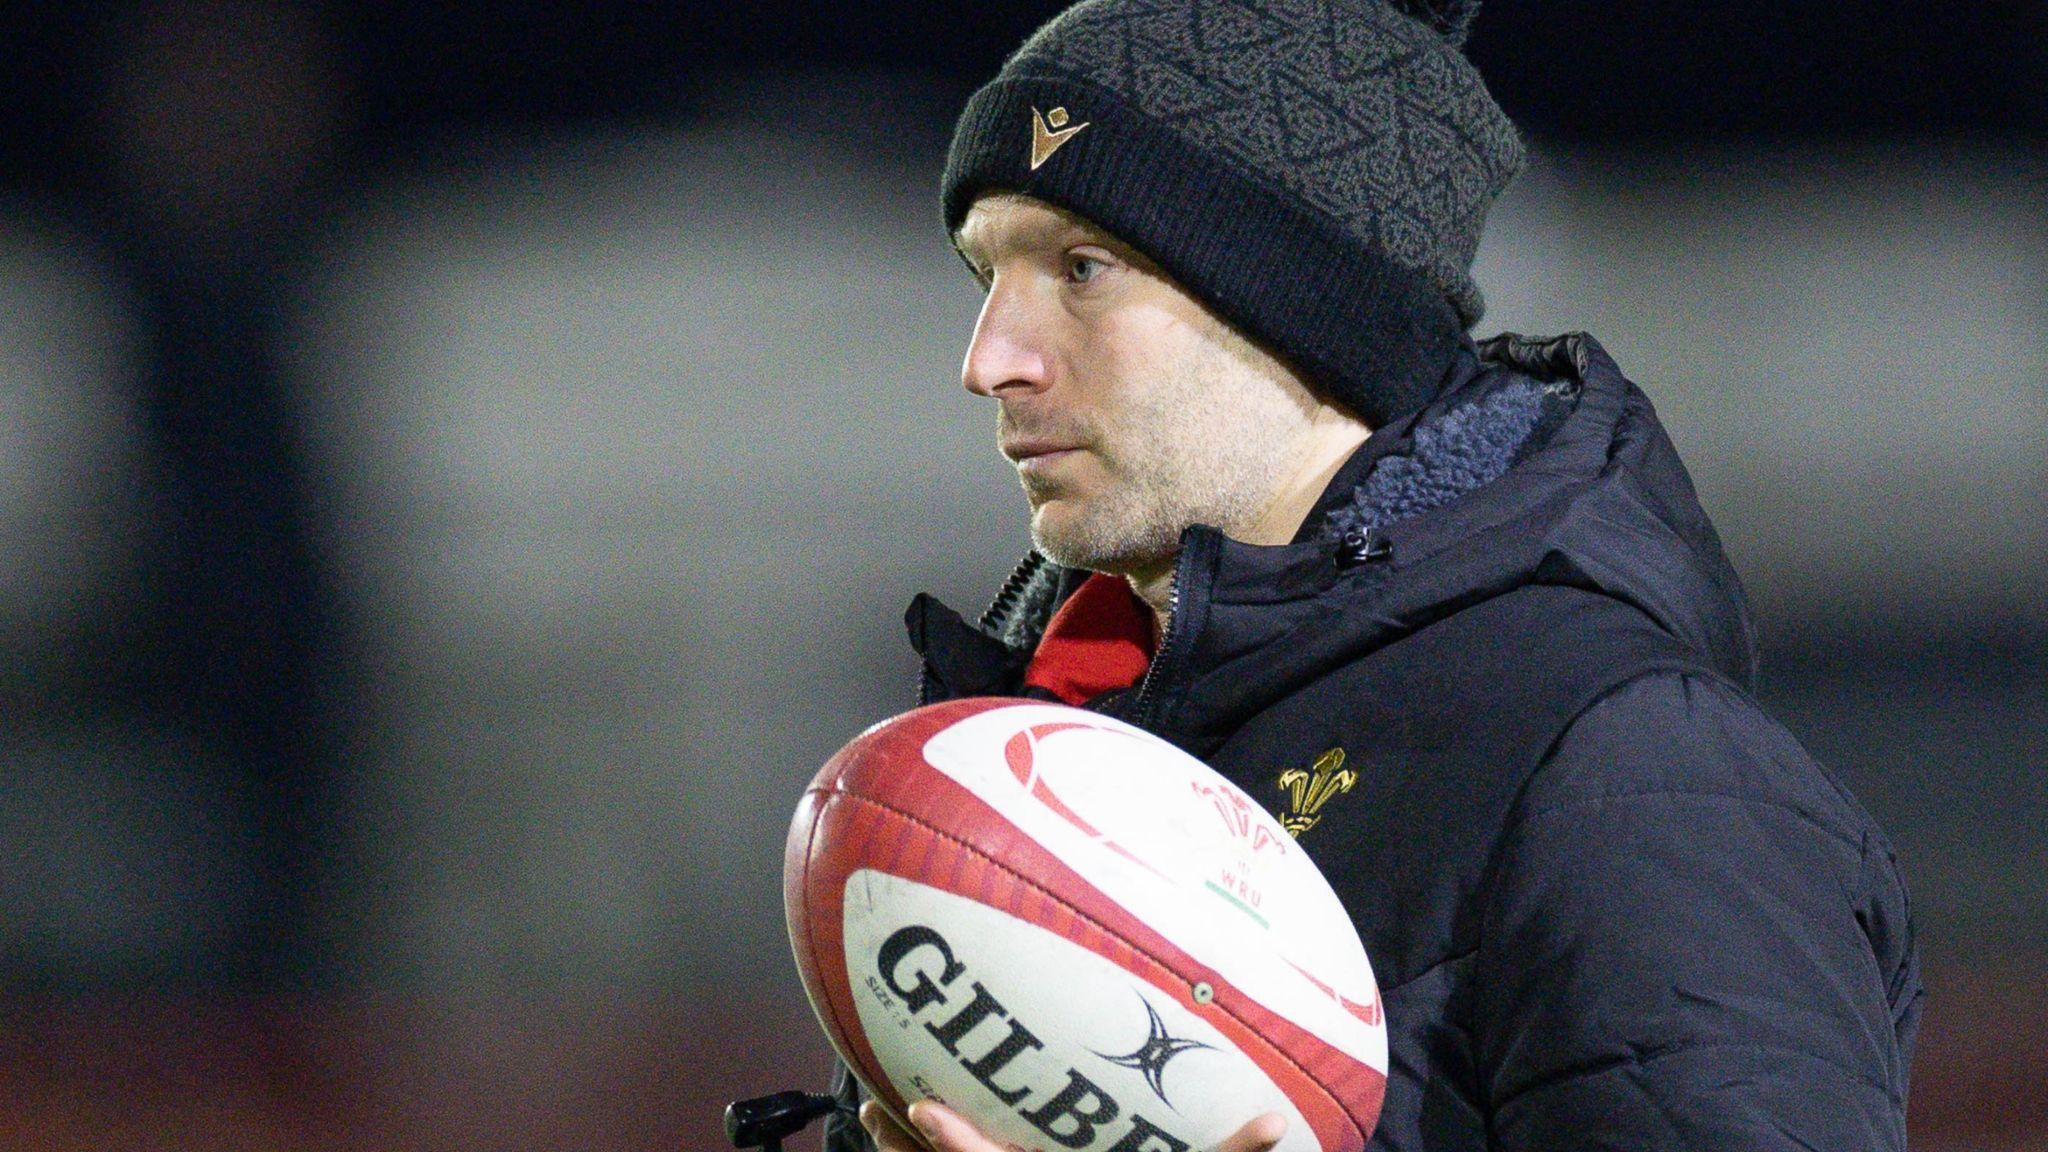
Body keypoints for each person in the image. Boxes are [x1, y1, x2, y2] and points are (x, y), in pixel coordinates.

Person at [794, 0, 1923, 1149]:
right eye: (985, 273)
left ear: (1300, 304)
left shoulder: (1623, 768)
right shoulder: (1043, 747)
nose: (988, 359)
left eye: (1082, 269)